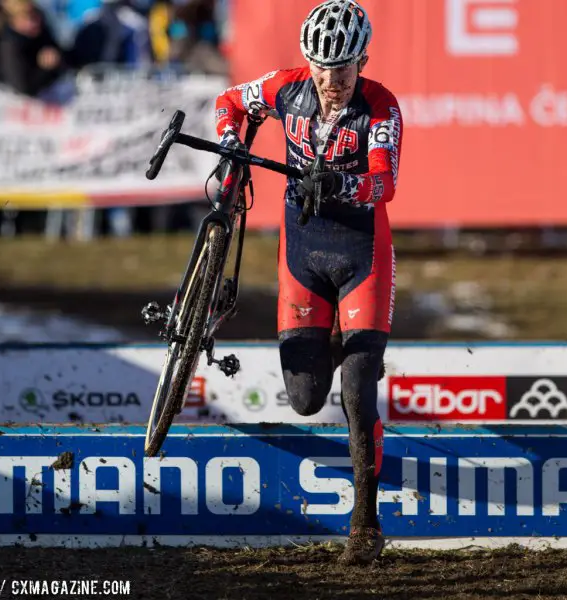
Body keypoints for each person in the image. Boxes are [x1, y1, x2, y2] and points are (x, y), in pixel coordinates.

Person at [214, 0, 403, 565]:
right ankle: (344, 341)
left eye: (343, 67)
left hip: (360, 252)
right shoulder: (285, 87)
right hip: (302, 252)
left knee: (355, 392)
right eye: (321, 66)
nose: (330, 80)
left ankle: (365, 523)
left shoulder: (381, 104)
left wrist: (346, 189)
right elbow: (228, 103)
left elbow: (385, 180)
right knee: (304, 399)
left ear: (362, 60)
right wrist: (231, 144)